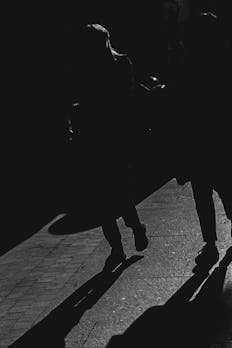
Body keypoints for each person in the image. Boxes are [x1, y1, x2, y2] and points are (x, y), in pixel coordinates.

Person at [173, 13, 232, 270]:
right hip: (217, 134)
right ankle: (210, 242)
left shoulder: (218, 61)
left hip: (208, 134)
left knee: (219, 189)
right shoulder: (221, 61)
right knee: (208, 191)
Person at [71, 23, 149, 271]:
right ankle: (134, 229)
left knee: (103, 196)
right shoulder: (121, 63)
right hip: (114, 136)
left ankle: (118, 247)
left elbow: (79, 100)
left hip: (98, 136)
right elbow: (127, 98)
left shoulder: (84, 69)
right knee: (117, 190)